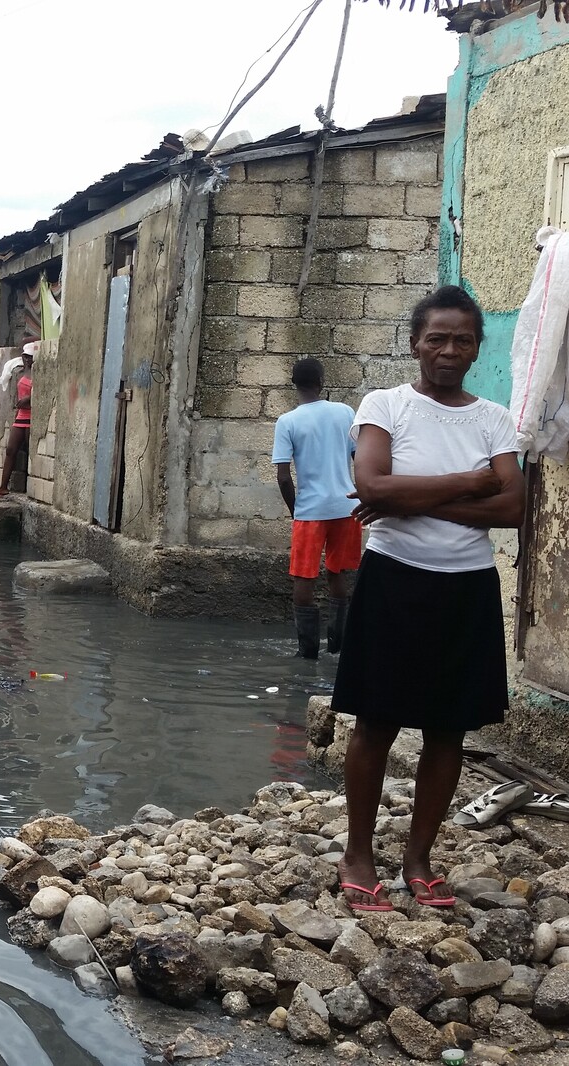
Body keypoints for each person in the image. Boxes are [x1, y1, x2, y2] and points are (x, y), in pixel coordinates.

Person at [333, 286, 523, 912]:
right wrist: (470, 481)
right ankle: (359, 856)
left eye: (462, 340)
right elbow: (370, 482)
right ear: (415, 343)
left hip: (467, 586)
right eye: (436, 338)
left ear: (476, 349)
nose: (448, 350)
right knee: (377, 721)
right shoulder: (386, 405)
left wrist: (407, 496)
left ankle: (419, 857)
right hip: (396, 578)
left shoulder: (494, 418)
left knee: (448, 729)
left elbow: (514, 507)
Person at [272, 357, 359, 658]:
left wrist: (296, 510)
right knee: (338, 573)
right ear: (322, 382)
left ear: (294, 385)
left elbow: (284, 477)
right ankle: (338, 648)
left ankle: (307, 653)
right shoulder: (345, 412)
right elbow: (359, 457)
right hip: (348, 506)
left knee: (304, 577)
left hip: (310, 511)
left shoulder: (288, 421)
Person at [0, 343, 34, 498]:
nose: (28, 359)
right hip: (21, 416)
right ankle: (3, 487)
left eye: (30, 357)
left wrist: (29, 398)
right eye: (26, 357)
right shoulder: (21, 371)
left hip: (31, 416)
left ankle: (31, 488)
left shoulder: (38, 373)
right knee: (10, 450)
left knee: (30, 452)